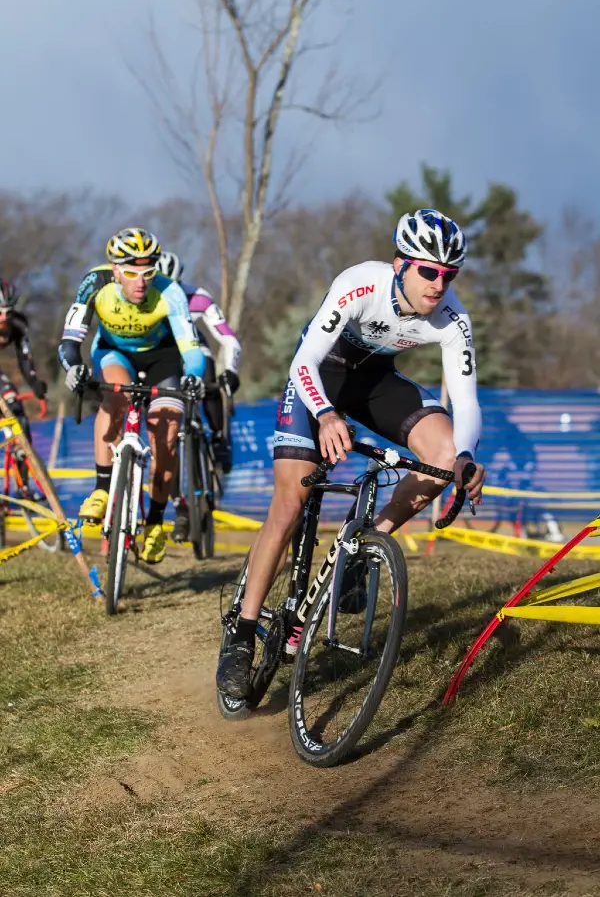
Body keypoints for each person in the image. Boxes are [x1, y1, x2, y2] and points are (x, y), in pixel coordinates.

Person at [216, 208, 486, 698]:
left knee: (444, 455)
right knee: (290, 505)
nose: (439, 284)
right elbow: (305, 360)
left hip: (373, 384)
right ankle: (241, 632)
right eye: (429, 271)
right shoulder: (362, 284)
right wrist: (324, 414)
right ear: (401, 264)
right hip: (317, 380)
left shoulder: (452, 319)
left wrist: (465, 455)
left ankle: (363, 548)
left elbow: (466, 400)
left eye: (450, 274)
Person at [58, 227, 206, 564]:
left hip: (163, 358)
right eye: (130, 273)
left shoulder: (170, 292)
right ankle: (101, 487)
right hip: (114, 353)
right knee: (114, 398)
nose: (140, 282)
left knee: (165, 435)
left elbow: (191, 348)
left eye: (148, 273)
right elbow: (70, 341)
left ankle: (155, 520)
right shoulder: (94, 283)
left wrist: (194, 376)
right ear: (114, 271)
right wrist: (73, 367)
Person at [155, 250, 242, 542]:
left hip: (196, 350)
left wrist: (229, 370)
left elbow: (227, 338)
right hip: (167, 357)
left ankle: (219, 438)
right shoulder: (146, 300)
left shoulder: (199, 296)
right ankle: (181, 509)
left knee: (210, 381)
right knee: (169, 437)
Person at [0, 278, 47, 496]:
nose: (4, 318)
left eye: (8, 312)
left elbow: (25, 358)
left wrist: (35, 383)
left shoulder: (17, 324)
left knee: (14, 405)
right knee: (6, 391)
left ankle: (23, 482)